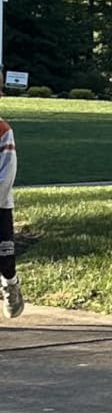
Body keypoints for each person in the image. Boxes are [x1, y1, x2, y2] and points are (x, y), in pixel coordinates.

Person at [0, 114, 19, 319]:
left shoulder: (3, 130)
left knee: (4, 258)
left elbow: (7, 171)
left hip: (0, 206)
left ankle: (10, 284)